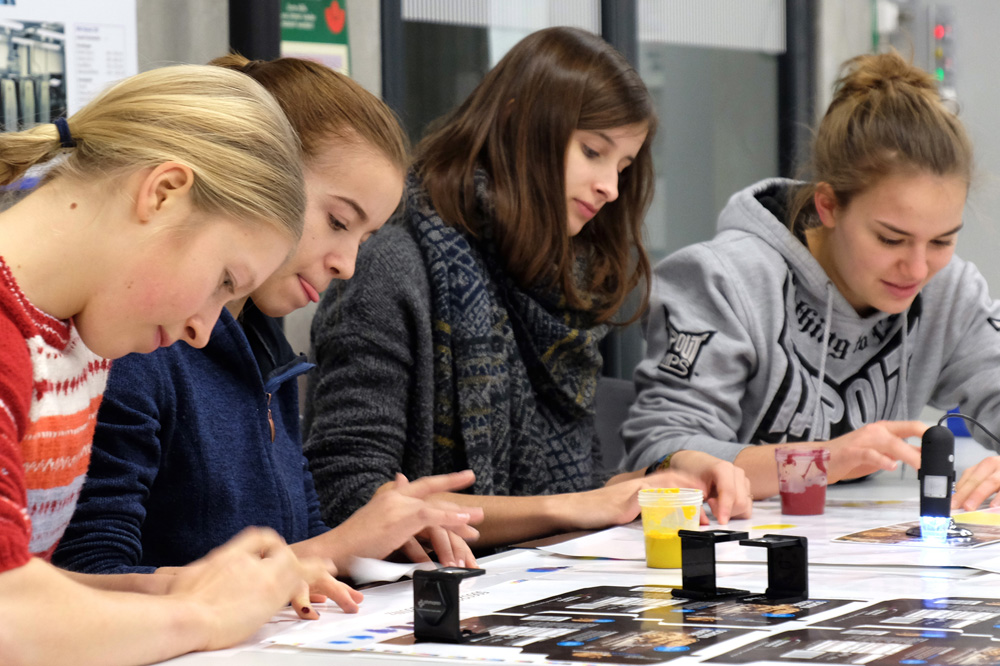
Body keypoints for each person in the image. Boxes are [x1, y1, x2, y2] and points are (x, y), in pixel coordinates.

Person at [303, 26, 753, 550]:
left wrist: (670, 470)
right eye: (592, 151)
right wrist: (577, 505)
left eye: (623, 167)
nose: (609, 187)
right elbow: (349, 499)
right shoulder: (392, 264)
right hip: (405, 604)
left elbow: (575, 494)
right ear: (518, 122)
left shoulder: (559, 289)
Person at [53, 56, 484, 585]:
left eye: (363, 239)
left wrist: (354, 548)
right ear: (264, 178)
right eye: (337, 222)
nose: (346, 264)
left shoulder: (268, 352)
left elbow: (299, 548)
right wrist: (336, 547)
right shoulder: (133, 338)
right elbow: (83, 578)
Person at [0, 64, 358, 665]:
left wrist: (163, 587)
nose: (201, 329)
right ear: (163, 191)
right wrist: (204, 615)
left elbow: (22, 579)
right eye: (223, 281)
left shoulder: (69, 344)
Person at [622, 51, 1000, 504]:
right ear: (829, 206)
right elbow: (657, 454)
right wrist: (820, 462)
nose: (918, 269)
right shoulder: (724, 280)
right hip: (731, 553)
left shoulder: (950, 290)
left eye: (942, 241)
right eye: (890, 239)